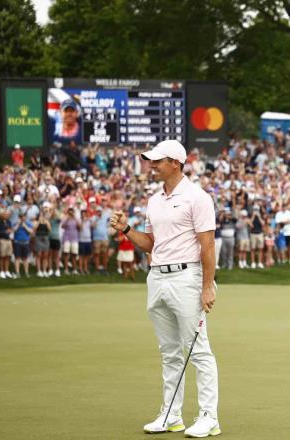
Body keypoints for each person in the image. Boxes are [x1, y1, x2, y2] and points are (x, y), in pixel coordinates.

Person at [110, 140, 220, 437]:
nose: (152, 165)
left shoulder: (197, 198)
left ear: (175, 162)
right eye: (151, 160)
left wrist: (207, 286)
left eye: (157, 161)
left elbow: (207, 245)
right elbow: (151, 243)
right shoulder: (154, 199)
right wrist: (126, 230)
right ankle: (171, 415)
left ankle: (210, 416)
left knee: (198, 350)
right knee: (169, 352)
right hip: (157, 277)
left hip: (187, 278)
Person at [12, 212, 34, 277]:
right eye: (21, 217)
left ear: (25, 217)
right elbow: (14, 230)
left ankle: (26, 272)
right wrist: (19, 224)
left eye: (23, 217)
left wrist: (25, 226)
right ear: (19, 217)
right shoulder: (16, 223)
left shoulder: (28, 223)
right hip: (17, 242)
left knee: (25, 258)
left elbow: (31, 232)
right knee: (17, 258)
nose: (22, 218)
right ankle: (17, 272)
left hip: (25, 243)